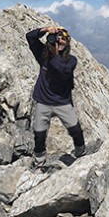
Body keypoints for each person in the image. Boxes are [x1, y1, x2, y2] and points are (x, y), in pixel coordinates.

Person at [25, 25, 86, 169]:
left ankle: (80, 152)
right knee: (39, 134)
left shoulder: (71, 61)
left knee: (75, 130)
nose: (59, 42)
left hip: (62, 102)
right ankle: (39, 162)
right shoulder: (43, 55)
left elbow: (60, 70)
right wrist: (45, 30)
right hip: (44, 100)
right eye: (57, 39)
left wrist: (53, 53)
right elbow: (30, 37)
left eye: (63, 39)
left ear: (68, 43)